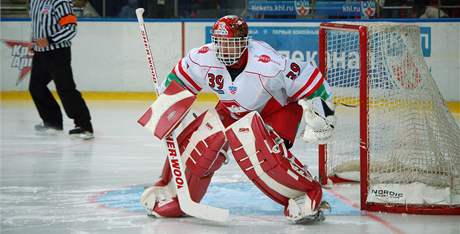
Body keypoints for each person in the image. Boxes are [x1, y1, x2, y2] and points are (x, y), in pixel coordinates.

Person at [140, 15, 335, 223]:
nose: (224, 49)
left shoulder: (267, 63)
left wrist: (325, 116)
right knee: (203, 139)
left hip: (276, 112)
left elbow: (310, 79)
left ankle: (305, 194)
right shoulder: (203, 57)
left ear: (245, 43)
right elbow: (178, 82)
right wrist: (167, 102)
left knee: (256, 150)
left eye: (231, 44)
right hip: (231, 110)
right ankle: (174, 194)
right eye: (220, 43)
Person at [29, 0, 94, 139]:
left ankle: (84, 126)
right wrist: (32, 41)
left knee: (66, 88)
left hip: (58, 52)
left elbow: (70, 29)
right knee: (36, 87)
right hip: (40, 52)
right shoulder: (35, 1)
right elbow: (36, 25)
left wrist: (50, 40)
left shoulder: (60, 2)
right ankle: (52, 122)